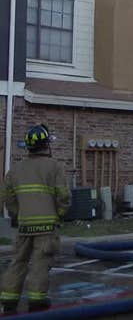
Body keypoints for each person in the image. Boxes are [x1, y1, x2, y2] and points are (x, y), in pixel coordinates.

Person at [1, 124, 70, 314]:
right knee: (40, 263)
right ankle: (36, 303)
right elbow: (63, 196)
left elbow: (7, 197)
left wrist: (18, 215)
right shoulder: (55, 167)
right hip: (47, 227)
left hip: (24, 226)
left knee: (18, 262)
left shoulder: (15, 170)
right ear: (46, 144)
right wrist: (60, 214)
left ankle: (8, 301)